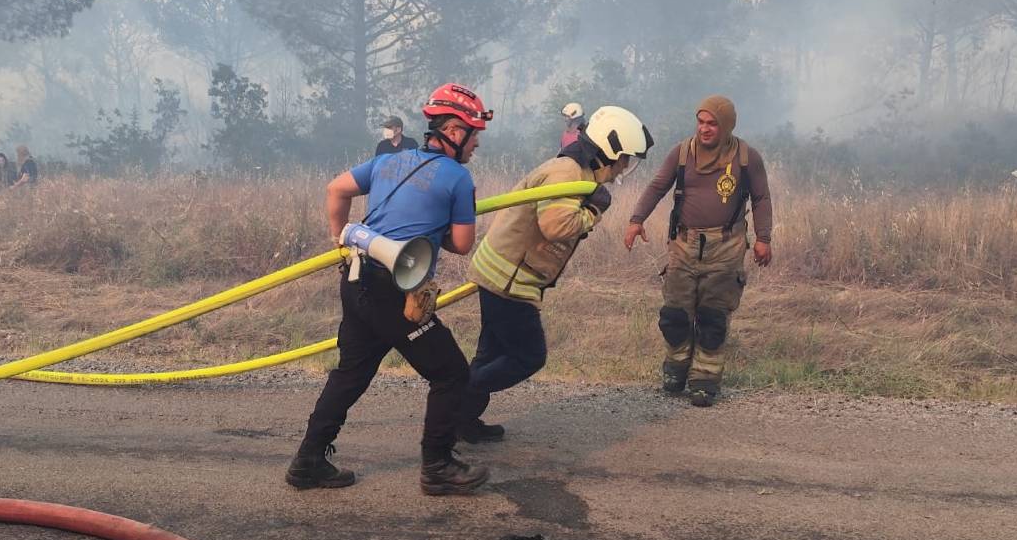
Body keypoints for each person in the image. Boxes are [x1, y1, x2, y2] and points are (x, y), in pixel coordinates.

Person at [287, 83, 493, 496]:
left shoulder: (389, 161)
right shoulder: (458, 178)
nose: (476, 145)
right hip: (394, 291)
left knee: (351, 373)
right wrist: (436, 228)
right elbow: (462, 244)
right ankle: (437, 466)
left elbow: (335, 189)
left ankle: (308, 461)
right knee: (451, 373)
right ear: (454, 132)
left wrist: (339, 238)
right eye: (474, 136)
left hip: (357, 279)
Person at [459, 106, 653, 443]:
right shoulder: (568, 174)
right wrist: (593, 210)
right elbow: (557, 226)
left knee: (491, 354)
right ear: (609, 151)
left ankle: (461, 420)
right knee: (528, 356)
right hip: (510, 280)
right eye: (624, 159)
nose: (625, 167)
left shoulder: (576, 170)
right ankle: (453, 398)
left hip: (502, 272)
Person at [623, 95, 773, 407]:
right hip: (683, 245)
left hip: (727, 246)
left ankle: (704, 381)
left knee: (712, 318)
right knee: (674, 315)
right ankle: (676, 370)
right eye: (700, 122)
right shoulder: (681, 153)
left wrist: (763, 238)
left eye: (712, 124)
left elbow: (761, 198)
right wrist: (636, 220)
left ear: (726, 126)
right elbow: (657, 186)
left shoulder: (747, 158)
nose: (704, 129)